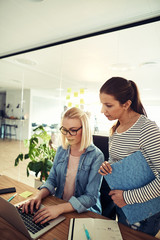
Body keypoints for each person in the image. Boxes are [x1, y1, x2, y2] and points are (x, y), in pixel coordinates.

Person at [98, 77, 160, 236]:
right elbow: (117, 162)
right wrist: (108, 166)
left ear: (126, 104)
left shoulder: (147, 129)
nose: (102, 110)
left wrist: (127, 197)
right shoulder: (115, 129)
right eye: (102, 104)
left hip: (144, 210)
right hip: (122, 204)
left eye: (108, 105)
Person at [21, 107, 104, 224]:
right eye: (64, 130)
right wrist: (37, 196)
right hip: (59, 205)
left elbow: (91, 197)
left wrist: (59, 208)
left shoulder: (96, 156)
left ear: (85, 129)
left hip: (84, 212)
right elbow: (52, 180)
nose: (67, 135)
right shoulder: (61, 150)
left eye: (73, 130)